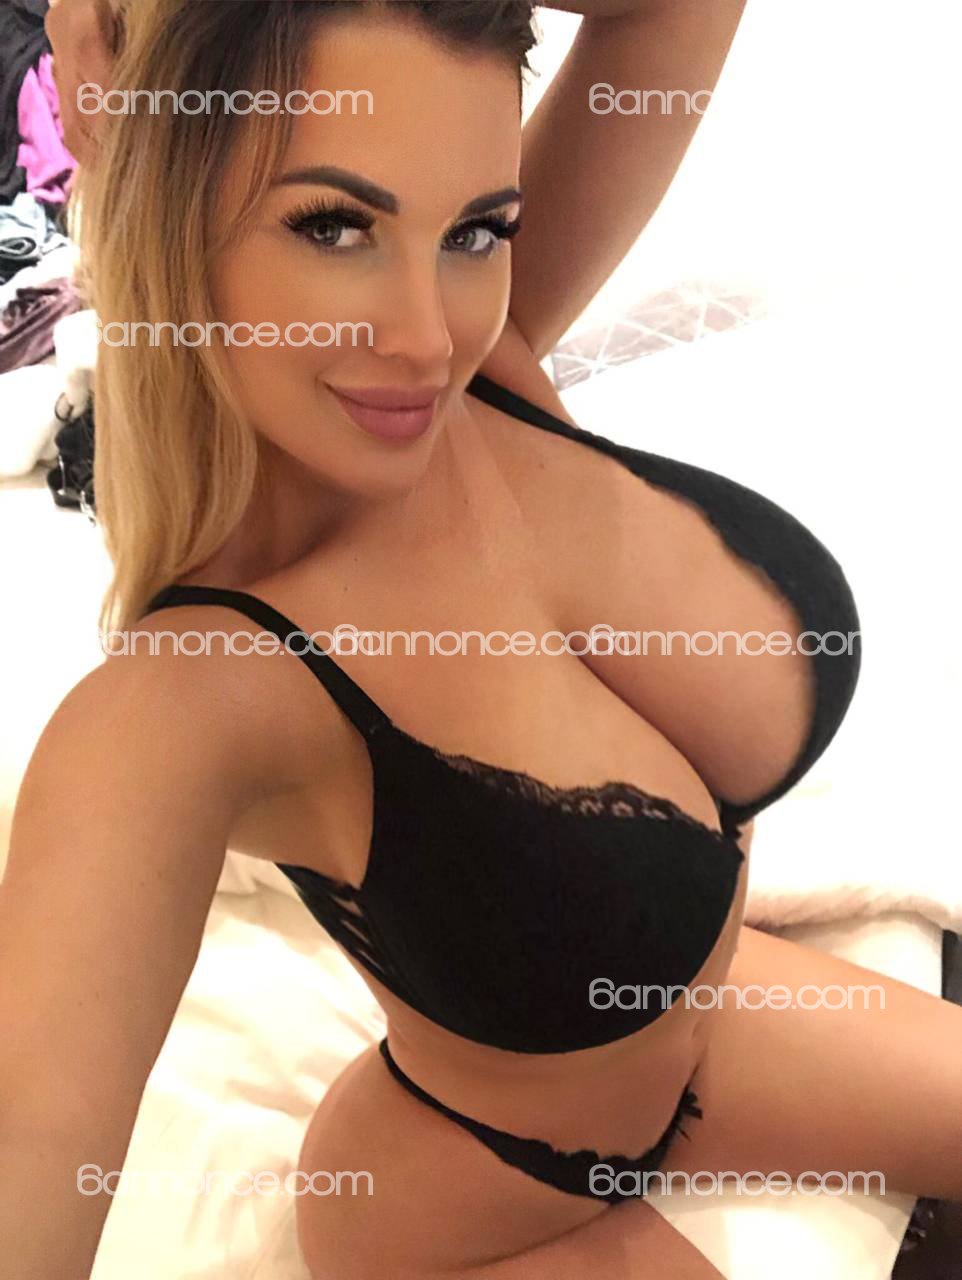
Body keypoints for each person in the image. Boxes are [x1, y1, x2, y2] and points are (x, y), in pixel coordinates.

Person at [3, 2, 959, 1278]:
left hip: (706, 1026)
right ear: (163, 197)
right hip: (481, 1184)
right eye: (331, 225)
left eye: (475, 229)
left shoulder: (477, 362)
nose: (424, 336)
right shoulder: (186, 703)